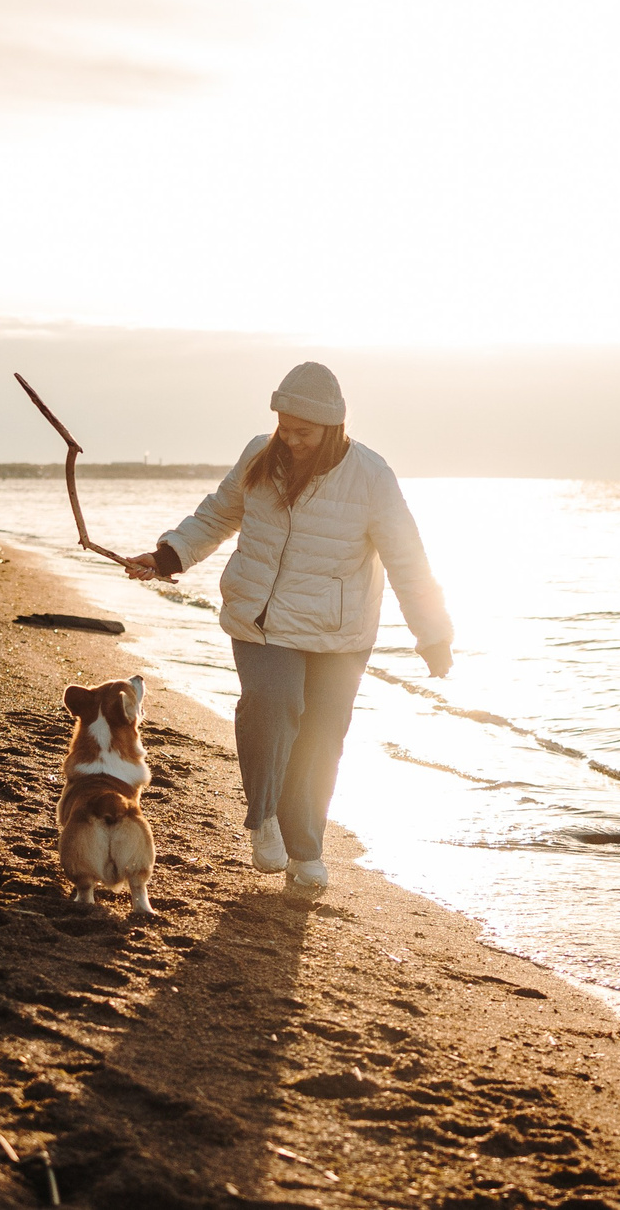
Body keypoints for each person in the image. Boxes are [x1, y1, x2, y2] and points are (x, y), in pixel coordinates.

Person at [124, 362, 453, 894]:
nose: (291, 440)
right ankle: (266, 818)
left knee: (322, 739)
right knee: (273, 705)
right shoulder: (261, 454)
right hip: (261, 619)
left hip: (339, 632)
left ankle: (307, 852)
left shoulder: (371, 475)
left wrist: (432, 633)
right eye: (284, 427)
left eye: (304, 432)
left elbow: (407, 557)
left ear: (333, 428)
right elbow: (216, 516)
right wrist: (168, 557)